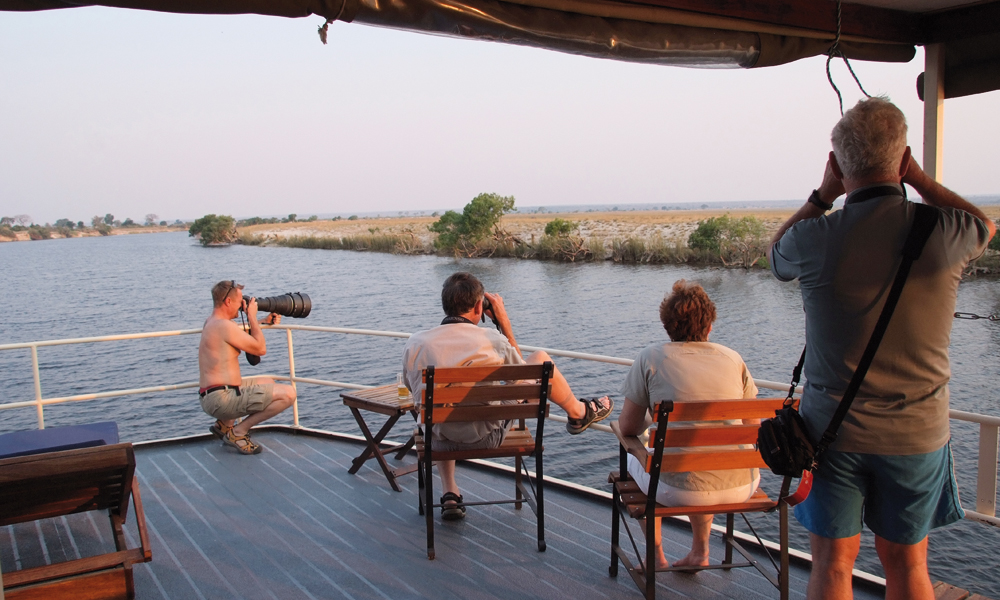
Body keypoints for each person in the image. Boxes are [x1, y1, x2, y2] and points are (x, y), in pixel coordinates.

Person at [769, 97, 995, 600]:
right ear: (903, 158)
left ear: (836, 164)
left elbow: (776, 258)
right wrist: (919, 179)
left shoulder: (816, 237)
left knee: (830, 565)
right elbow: (985, 225)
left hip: (829, 432)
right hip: (917, 433)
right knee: (910, 566)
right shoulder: (943, 231)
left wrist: (822, 194)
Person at [402, 272, 614, 520]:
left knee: (442, 411)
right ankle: (578, 413)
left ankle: (450, 492)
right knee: (541, 360)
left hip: (437, 440)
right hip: (486, 438)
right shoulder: (493, 339)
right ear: (480, 306)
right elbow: (522, 374)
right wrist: (504, 323)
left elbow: (412, 391)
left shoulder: (415, 343)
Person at [617, 280, 759, 570]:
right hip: (743, 482)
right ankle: (700, 551)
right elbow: (752, 425)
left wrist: (648, 421)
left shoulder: (651, 358)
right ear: (709, 326)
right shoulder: (733, 359)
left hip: (674, 488)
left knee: (638, 459)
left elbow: (628, 427)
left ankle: (655, 557)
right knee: (703, 454)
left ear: (668, 326)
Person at [198, 280, 297, 455]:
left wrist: (261, 321)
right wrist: (251, 316)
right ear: (228, 302)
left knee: (268, 381)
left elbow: (235, 335)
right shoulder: (223, 326)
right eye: (239, 301)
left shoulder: (212, 322)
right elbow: (260, 349)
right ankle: (238, 432)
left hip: (213, 395)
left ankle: (224, 424)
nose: (242, 305)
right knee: (289, 394)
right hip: (222, 400)